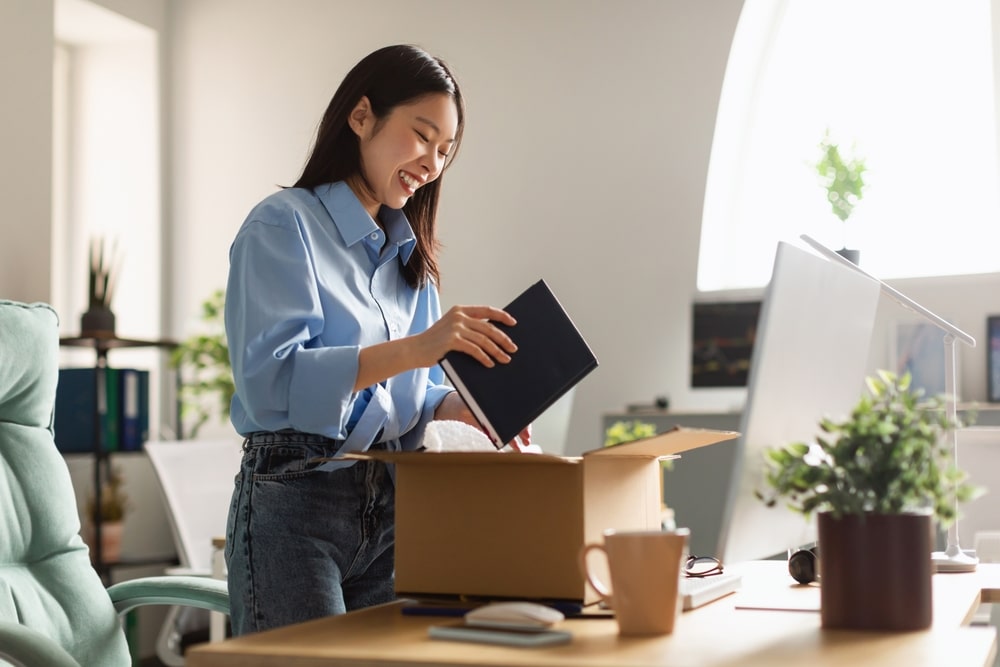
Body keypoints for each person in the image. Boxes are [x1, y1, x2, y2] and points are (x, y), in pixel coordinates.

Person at [223, 44, 530, 636]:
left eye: (446, 151)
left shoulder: (411, 261)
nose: (433, 163)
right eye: (422, 136)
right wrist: (421, 347)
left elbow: (414, 396)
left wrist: (471, 410)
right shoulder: (282, 224)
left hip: (388, 504)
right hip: (295, 500)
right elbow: (271, 383)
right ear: (361, 117)